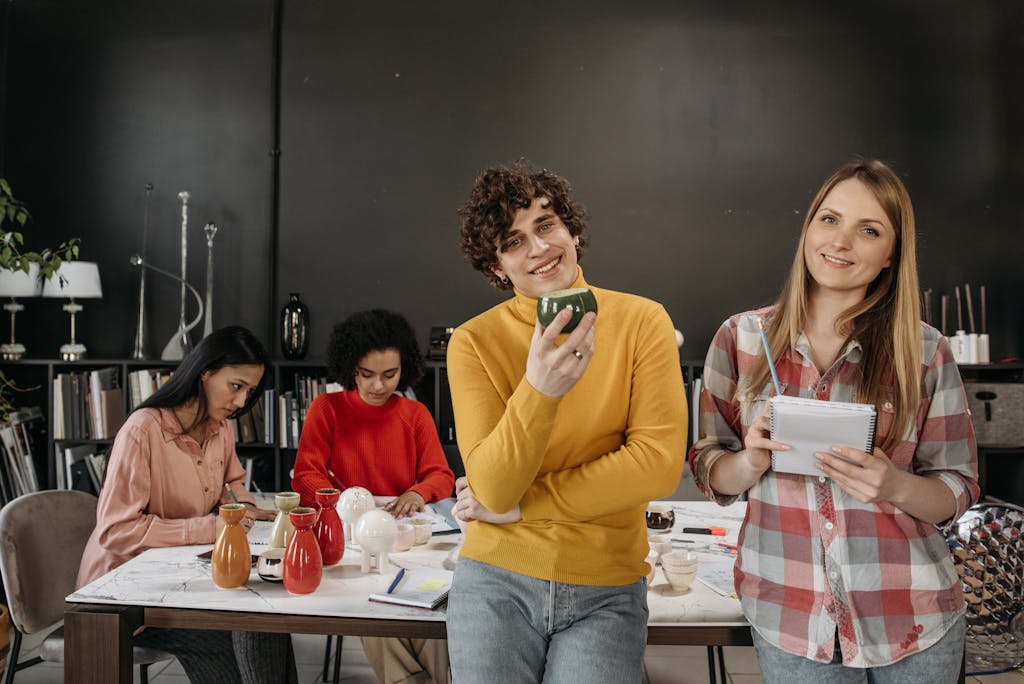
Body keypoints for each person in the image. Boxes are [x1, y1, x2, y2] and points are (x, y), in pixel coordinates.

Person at [689, 159, 979, 682]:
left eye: (868, 231)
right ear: (808, 229)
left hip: (912, 614)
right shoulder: (741, 339)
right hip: (791, 617)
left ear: (891, 254)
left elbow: (956, 487)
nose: (840, 242)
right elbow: (710, 468)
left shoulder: (926, 352)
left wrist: (893, 485)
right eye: (829, 220)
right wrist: (751, 461)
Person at [445, 162, 688, 682]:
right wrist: (539, 389)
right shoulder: (472, 342)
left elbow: (657, 467)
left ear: (572, 230)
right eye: (513, 241)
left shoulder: (644, 321)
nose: (537, 247)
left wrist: (520, 509)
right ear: (497, 266)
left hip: (607, 586)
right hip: (495, 580)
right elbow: (491, 484)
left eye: (546, 224)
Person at [77, 325, 297, 684]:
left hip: (181, 574)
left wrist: (243, 508)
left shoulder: (220, 427)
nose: (242, 402)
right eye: (236, 386)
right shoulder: (142, 431)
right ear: (205, 371)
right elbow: (114, 532)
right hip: (124, 595)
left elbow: (233, 483)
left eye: (250, 391)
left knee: (271, 620)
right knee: (240, 628)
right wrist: (210, 527)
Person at [292, 308, 455, 684]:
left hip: (404, 534)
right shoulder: (326, 409)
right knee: (374, 600)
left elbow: (440, 475)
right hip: (349, 533)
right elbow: (306, 475)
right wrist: (346, 500)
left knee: (428, 607)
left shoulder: (414, 414)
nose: (378, 386)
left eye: (389, 375)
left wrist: (417, 492)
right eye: (367, 375)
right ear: (350, 367)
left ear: (405, 369)